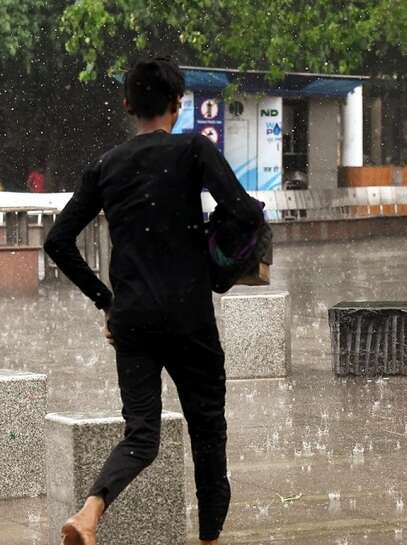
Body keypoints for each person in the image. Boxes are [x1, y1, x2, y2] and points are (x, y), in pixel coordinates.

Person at [44, 57, 264, 545]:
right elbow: (244, 211)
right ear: (177, 104)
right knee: (207, 430)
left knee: (141, 434)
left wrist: (105, 300)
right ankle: (208, 539)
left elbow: (58, 241)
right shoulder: (191, 150)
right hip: (189, 316)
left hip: (133, 318)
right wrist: (219, 260)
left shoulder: (105, 165)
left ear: (128, 105)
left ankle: (89, 512)